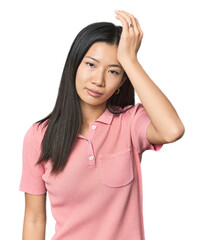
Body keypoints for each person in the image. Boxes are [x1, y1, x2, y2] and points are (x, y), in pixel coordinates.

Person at [19, 10, 185, 240]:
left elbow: (172, 130)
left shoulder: (130, 123)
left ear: (121, 81)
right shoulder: (38, 136)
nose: (99, 80)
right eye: (91, 65)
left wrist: (130, 60)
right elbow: (34, 219)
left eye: (114, 71)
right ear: (74, 65)